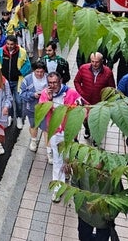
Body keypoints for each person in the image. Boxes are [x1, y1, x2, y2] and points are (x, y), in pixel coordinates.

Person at [39, 72, 84, 202]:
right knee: (57, 161)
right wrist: (48, 99)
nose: (52, 85)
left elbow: (82, 107)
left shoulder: (71, 93)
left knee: (68, 159)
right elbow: (41, 112)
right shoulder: (45, 93)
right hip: (55, 133)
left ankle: (66, 176)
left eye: (55, 82)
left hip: (69, 133)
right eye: (50, 83)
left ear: (61, 81)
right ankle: (57, 189)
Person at [74, 52, 116, 142]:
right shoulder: (83, 68)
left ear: (102, 61)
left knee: (98, 122)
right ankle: (87, 129)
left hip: (99, 102)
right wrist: (81, 93)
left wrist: (105, 100)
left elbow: (112, 88)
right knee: (85, 119)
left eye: (97, 62)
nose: (94, 64)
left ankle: (97, 138)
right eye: (92, 61)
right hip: (86, 101)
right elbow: (76, 81)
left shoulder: (108, 72)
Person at [0, 35, 31, 129]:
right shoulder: (1, 51)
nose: (9, 46)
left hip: (17, 82)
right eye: (8, 44)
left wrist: (20, 72)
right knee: (8, 101)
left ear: (15, 44)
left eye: (11, 44)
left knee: (19, 101)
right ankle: (9, 116)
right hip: (5, 82)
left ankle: (19, 117)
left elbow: (28, 64)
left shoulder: (22, 52)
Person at [19, 60, 48, 153]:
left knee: (46, 128)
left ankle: (49, 150)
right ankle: (33, 141)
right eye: (37, 72)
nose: (39, 74)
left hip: (46, 108)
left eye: (41, 72)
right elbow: (21, 93)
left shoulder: (49, 79)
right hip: (31, 108)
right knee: (33, 125)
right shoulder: (27, 80)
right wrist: (33, 95)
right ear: (33, 71)